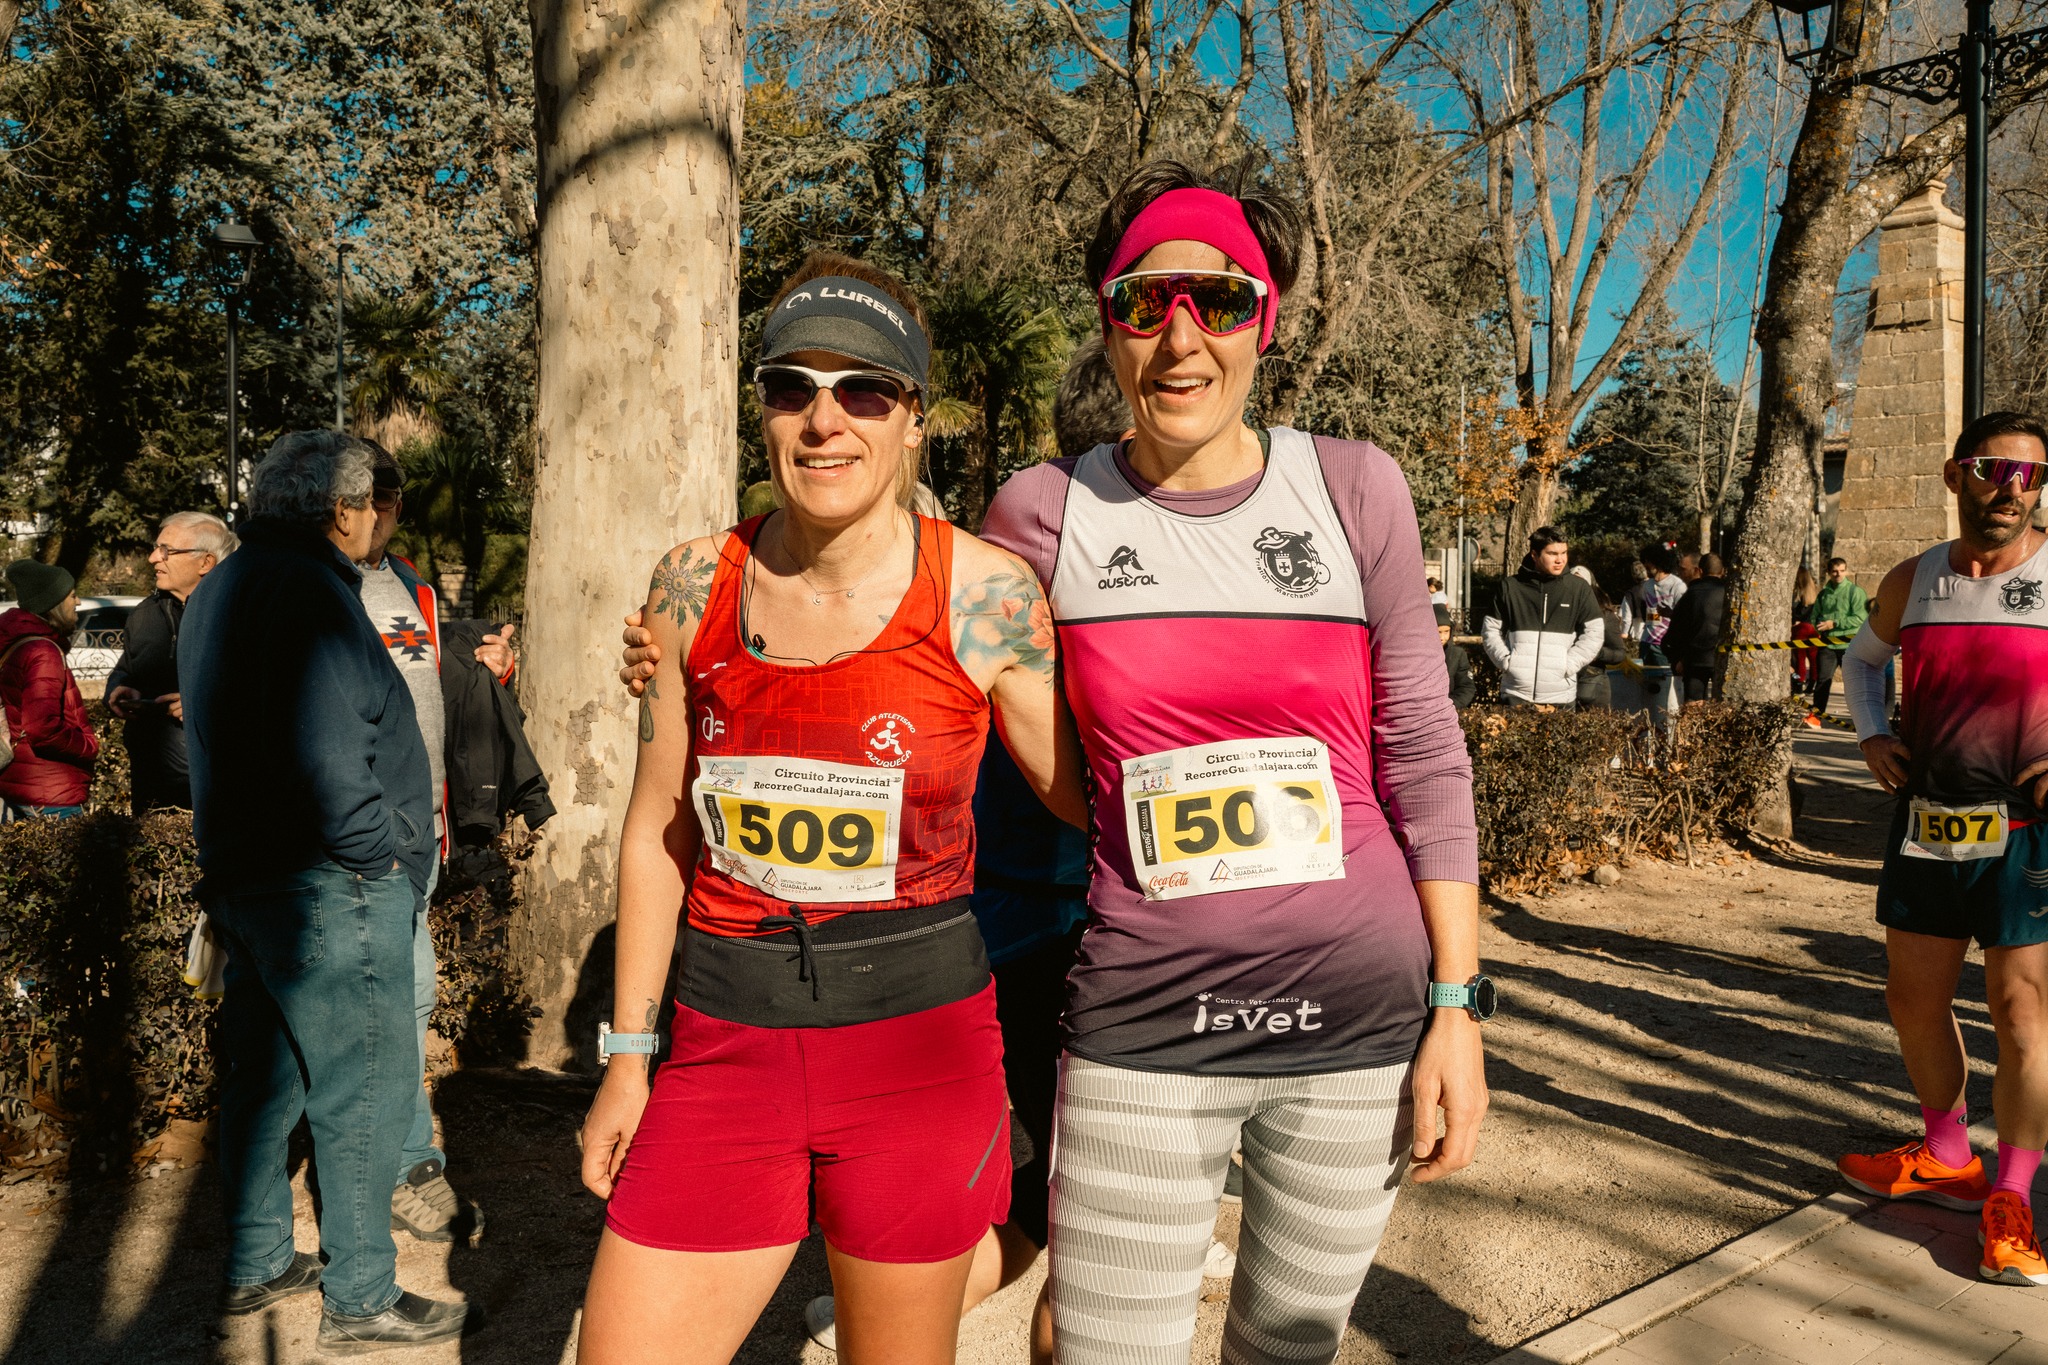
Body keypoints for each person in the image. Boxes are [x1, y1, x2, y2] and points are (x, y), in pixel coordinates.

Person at [980, 160, 1487, 1365]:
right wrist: (694, 616)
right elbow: (1044, 759)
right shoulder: (1039, 514)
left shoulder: (1354, 487)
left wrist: (1458, 1007)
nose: (1178, 338)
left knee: (1286, 1353)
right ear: (1106, 322)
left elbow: (1422, 753)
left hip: (1361, 1023)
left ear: (1265, 319)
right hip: (1142, 1021)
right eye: (1141, 302)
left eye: (1215, 300)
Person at [574, 253, 1087, 1365]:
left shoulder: (987, 594)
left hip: (917, 1058)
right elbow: (658, 834)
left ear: (912, 421)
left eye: (862, 391)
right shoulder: (687, 588)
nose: (823, 420)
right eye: (790, 387)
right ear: (761, 411)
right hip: (722, 1053)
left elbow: (1087, 795)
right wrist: (626, 1054)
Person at [180, 431, 467, 1349]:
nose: (387, 522)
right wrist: (383, 858)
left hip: (250, 882)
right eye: (383, 502)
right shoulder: (308, 590)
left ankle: (259, 1260)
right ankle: (361, 1297)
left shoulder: (220, 586)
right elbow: (334, 757)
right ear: (343, 507)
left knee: (263, 1087)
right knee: (364, 1090)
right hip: (333, 888)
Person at [1835, 410, 2048, 1287]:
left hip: (2026, 832)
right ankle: (1950, 1155)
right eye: (1996, 470)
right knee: (1912, 1000)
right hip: (1927, 822)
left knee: (2021, 1016)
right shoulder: (1912, 578)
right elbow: (1859, 663)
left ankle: (2016, 1196)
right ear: (1958, 474)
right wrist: (1872, 735)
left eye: (2031, 477)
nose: (2012, 490)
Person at [352, 441, 513, 1245]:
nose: (375, 508)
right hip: (358, 841)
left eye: (387, 494)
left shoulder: (407, 580)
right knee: (387, 1001)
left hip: (420, 834)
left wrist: (484, 667)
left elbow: (425, 684)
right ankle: (400, 1167)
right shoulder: (312, 585)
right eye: (359, 494)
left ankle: (397, 1163)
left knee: (406, 1000)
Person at [107, 512, 237, 813]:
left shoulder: (238, 614)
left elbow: (272, 694)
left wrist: (202, 704)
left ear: (205, 563)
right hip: (150, 789)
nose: (153, 558)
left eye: (166, 550)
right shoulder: (145, 613)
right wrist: (119, 687)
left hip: (218, 795)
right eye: (156, 548)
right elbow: (126, 667)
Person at [0, 560, 98, 820]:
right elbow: (43, 728)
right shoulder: (42, 651)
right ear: (53, 604)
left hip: (23, 785)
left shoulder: (17, 643)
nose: (77, 603)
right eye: (72, 595)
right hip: (52, 793)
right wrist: (88, 746)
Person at [1481, 526, 1603, 707]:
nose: (1560, 560)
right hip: (1515, 694)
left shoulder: (1578, 589)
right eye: (1552, 553)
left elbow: (1594, 633)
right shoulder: (1510, 587)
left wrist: (1568, 665)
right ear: (1534, 555)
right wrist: (1507, 662)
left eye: (1564, 553)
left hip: (1561, 696)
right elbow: (1490, 630)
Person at [1626, 542, 1687, 732]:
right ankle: (1652, 725)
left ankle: (1669, 725)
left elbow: (1683, 615)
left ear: (1657, 562)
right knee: (1650, 688)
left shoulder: (1677, 585)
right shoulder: (1648, 586)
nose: (1645, 566)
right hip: (1647, 642)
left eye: (1647, 562)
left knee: (1667, 690)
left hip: (1665, 644)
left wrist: (1667, 613)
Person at [1664, 552, 1728, 704]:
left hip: (1694, 659)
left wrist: (1677, 658)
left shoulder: (1690, 595)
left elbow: (1675, 631)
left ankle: (1694, 727)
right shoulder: (1729, 593)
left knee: (1693, 704)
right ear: (1723, 571)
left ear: (1700, 571)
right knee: (1722, 705)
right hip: (1722, 657)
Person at [1809, 556, 1869, 719]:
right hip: (1828, 644)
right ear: (1828, 572)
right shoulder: (1823, 594)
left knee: (1854, 683)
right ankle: (1815, 716)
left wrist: (1834, 623)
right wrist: (1820, 627)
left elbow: (1860, 618)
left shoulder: (1855, 592)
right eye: (1835, 571)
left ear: (1846, 571)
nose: (1839, 574)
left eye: (1842, 571)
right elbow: (1814, 616)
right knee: (1822, 681)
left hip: (1849, 644)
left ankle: (1862, 718)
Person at [1569, 566, 1625, 710]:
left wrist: (1596, 653)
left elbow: (1619, 653)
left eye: (1581, 583)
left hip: (1592, 685)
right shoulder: (1558, 612)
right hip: (1561, 686)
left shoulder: (1604, 615)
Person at [1791, 565, 1821, 715]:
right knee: (1813, 658)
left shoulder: (1798, 592)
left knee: (1799, 659)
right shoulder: (1814, 591)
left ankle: (1799, 681)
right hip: (1814, 628)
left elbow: (1798, 611)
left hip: (1801, 628)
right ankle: (1813, 682)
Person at [1439, 604, 1475, 711]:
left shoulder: (1457, 655)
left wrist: (1450, 706)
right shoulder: (1418, 655)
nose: (1442, 637)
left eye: (1446, 632)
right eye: (1438, 632)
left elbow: (1466, 687)